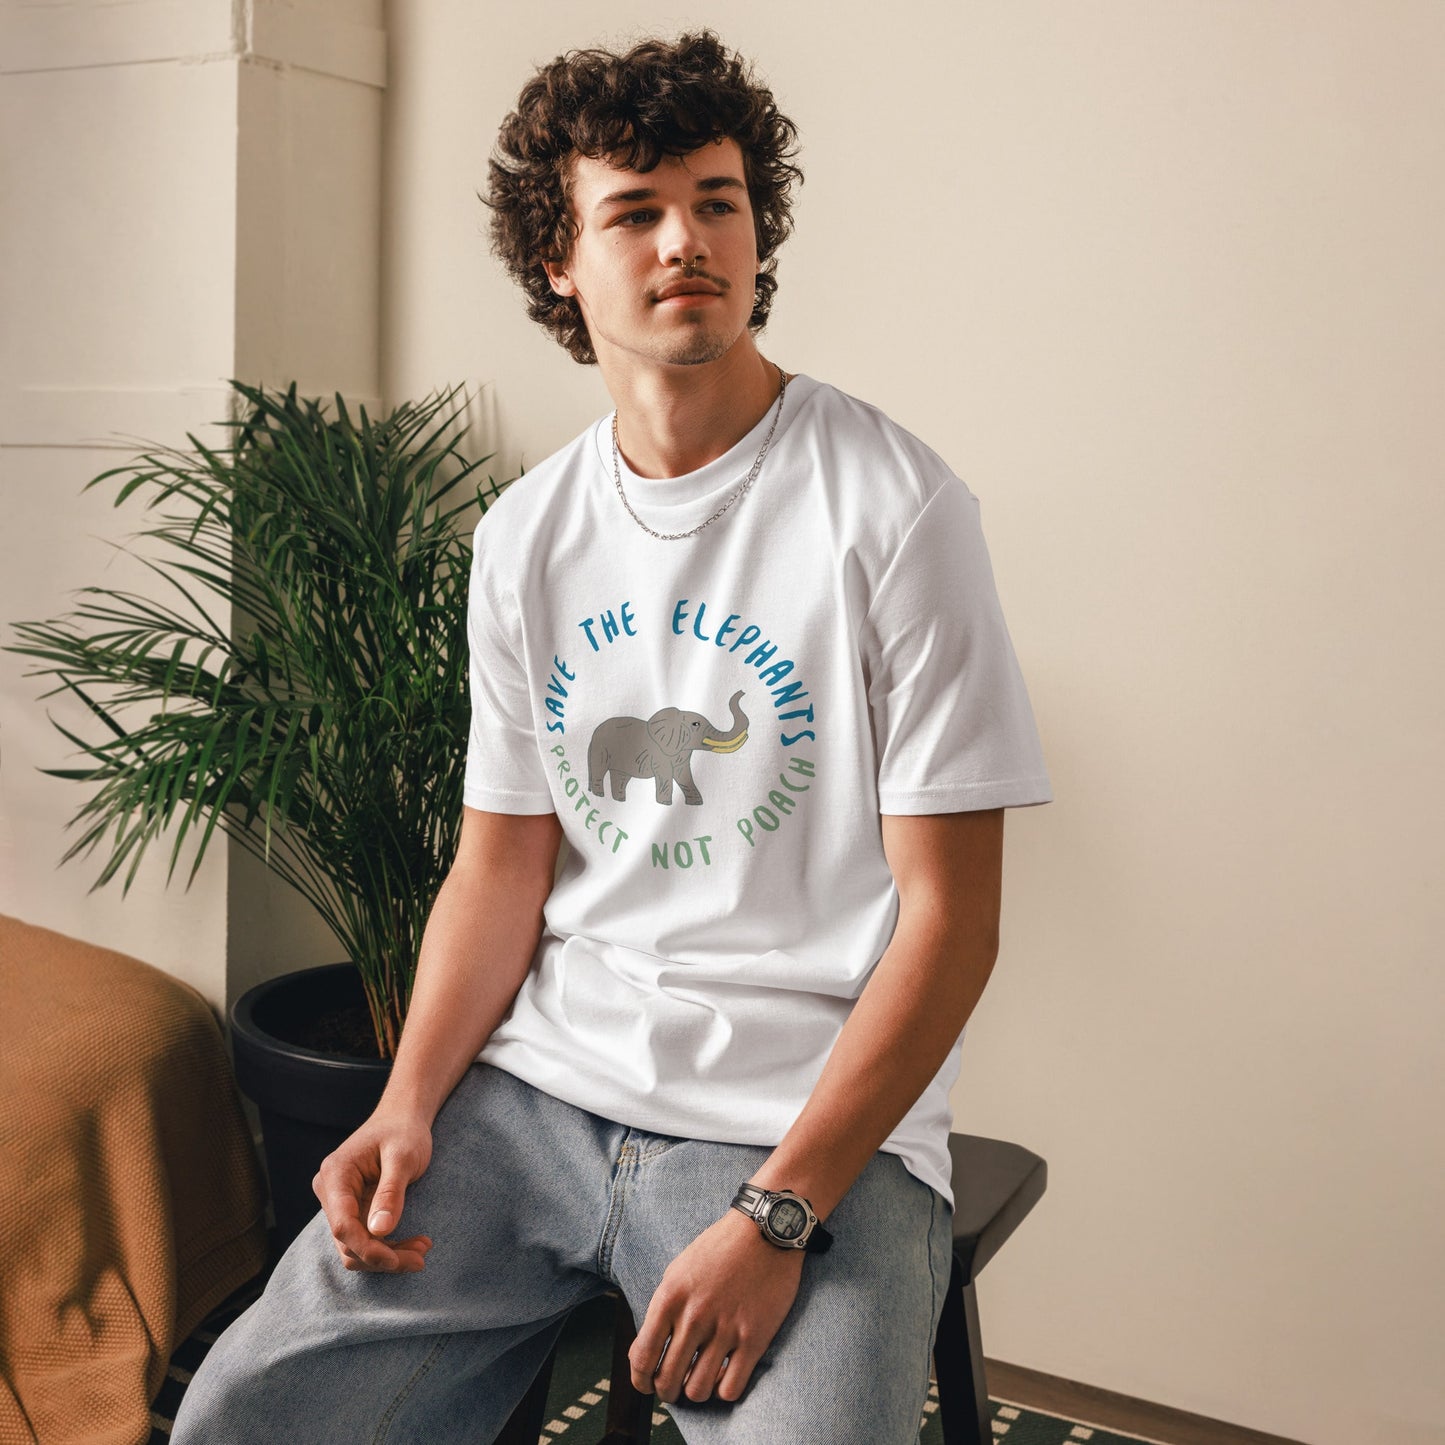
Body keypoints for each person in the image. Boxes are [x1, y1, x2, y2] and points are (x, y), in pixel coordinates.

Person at [171, 30, 1051, 1445]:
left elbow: (951, 922)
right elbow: (500, 868)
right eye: (632, 211)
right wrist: (406, 1107)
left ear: (759, 234)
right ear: (559, 269)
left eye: (716, 200)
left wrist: (777, 1212)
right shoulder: (526, 537)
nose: (684, 239)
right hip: (531, 1105)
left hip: (799, 1125)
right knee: (240, 1415)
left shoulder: (893, 511)